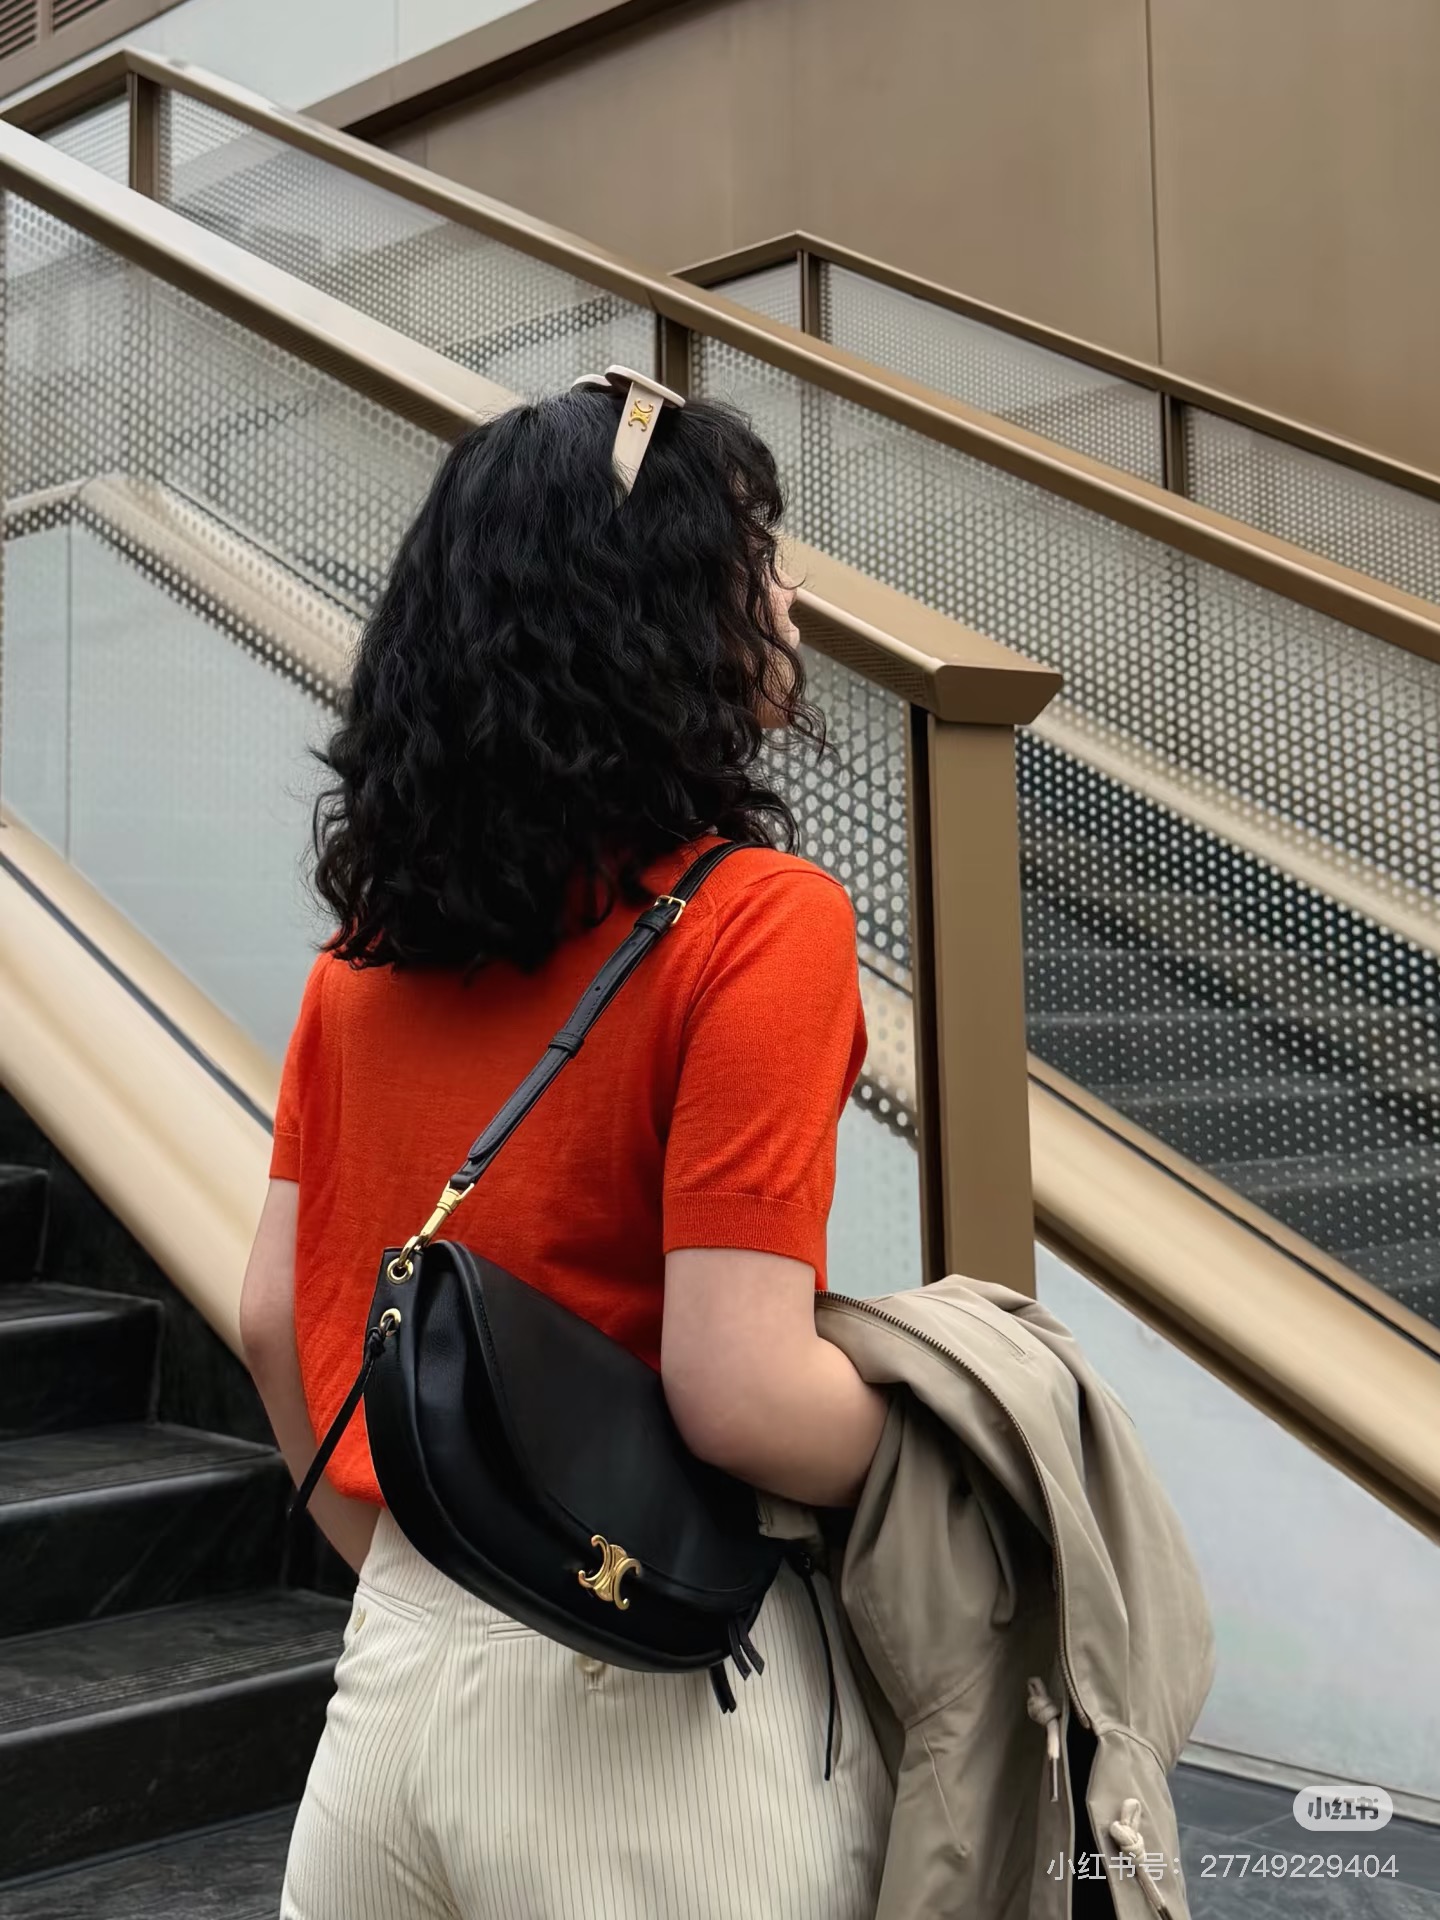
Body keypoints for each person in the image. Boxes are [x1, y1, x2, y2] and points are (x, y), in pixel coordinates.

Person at [239, 373, 895, 1920]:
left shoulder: (360, 963)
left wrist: (430, 1567)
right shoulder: (760, 925)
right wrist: (959, 1447)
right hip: (648, 1702)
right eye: (754, 557)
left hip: (392, 1680)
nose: (788, 597)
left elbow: (274, 1319)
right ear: (656, 614)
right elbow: (738, 1390)